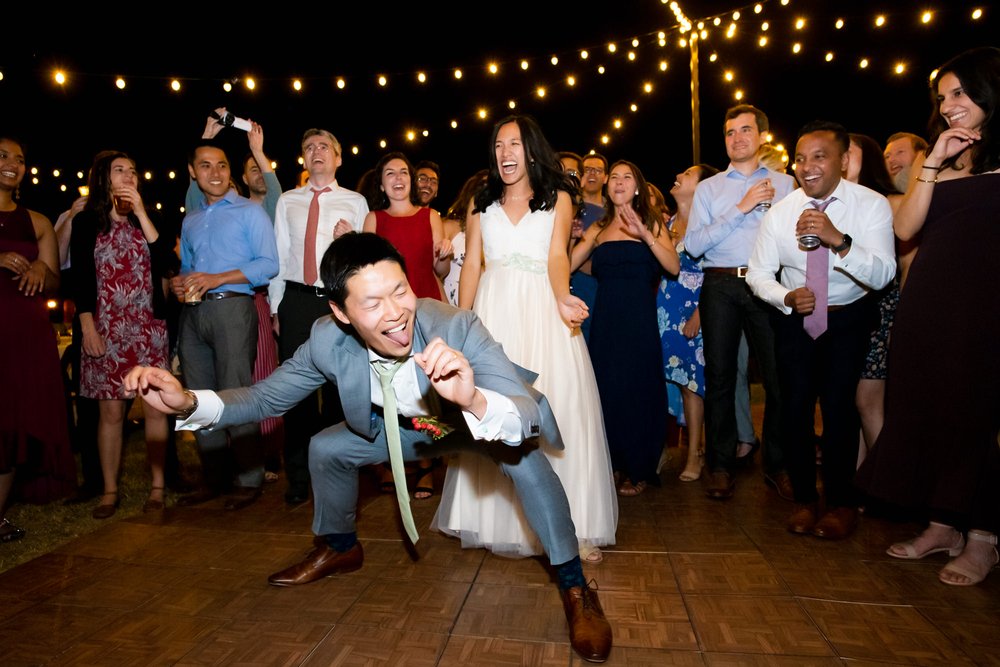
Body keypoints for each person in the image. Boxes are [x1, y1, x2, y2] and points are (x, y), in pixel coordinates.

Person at [123, 232, 613, 663]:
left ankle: (574, 585)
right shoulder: (324, 341)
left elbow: (523, 410)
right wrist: (186, 399)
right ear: (340, 312)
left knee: (527, 460)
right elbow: (264, 396)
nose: (396, 313)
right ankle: (340, 547)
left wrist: (475, 398)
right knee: (326, 447)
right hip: (410, 429)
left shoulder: (454, 325)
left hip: (469, 419)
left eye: (400, 290)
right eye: (372, 303)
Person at [434, 114, 617, 564]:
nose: (505, 153)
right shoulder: (481, 201)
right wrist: (464, 321)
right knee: (494, 411)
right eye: (498, 145)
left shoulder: (558, 201)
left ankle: (573, 526)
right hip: (494, 314)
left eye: (513, 144)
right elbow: (472, 263)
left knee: (557, 407)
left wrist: (562, 298)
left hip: (543, 311)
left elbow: (558, 257)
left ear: (532, 150)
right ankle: (491, 519)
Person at [857, 46, 1000, 586]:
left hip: (987, 306)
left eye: (960, 93)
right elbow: (905, 228)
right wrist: (935, 158)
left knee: (977, 415)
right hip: (932, 302)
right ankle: (942, 525)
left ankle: (984, 537)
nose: (950, 106)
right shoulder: (937, 159)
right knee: (930, 407)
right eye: (943, 98)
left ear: (990, 89)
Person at [747, 120, 896, 540]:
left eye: (819, 156)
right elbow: (758, 274)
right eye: (800, 158)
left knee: (839, 412)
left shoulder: (870, 205)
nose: (806, 166)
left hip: (849, 318)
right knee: (793, 410)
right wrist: (785, 297)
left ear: (844, 160)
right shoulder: (780, 212)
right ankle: (805, 501)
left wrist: (839, 241)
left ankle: (842, 503)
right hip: (796, 320)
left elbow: (884, 272)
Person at [683, 104, 797, 502]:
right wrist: (742, 207)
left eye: (746, 130)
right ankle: (720, 465)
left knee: (778, 376)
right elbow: (694, 245)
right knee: (719, 376)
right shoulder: (710, 188)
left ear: (762, 135)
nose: (737, 138)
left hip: (768, 284)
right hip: (720, 285)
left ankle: (778, 465)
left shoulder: (786, 185)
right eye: (730, 132)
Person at [171, 140, 279, 511]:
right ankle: (213, 479)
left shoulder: (250, 212)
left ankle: (249, 479)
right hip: (193, 314)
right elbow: (188, 267)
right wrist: (178, 281)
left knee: (235, 394)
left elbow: (268, 264)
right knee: (196, 398)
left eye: (221, 165)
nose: (215, 173)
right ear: (192, 172)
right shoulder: (191, 219)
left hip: (234, 308)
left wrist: (217, 279)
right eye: (205, 166)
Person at [70, 151, 176, 518]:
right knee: (111, 414)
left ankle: (158, 487)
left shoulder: (150, 219)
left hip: (148, 328)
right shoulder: (86, 223)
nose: (129, 176)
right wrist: (87, 326)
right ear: (103, 179)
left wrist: (143, 213)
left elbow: (167, 262)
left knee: (155, 409)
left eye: (133, 170)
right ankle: (110, 491)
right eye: (120, 171)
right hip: (106, 329)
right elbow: (81, 277)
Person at [270, 129, 368, 506]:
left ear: (338, 157)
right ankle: (297, 478)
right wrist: (278, 307)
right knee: (297, 392)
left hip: (336, 302)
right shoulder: (288, 202)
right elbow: (280, 255)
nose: (316, 152)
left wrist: (354, 237)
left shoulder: (355, 201)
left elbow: (363, 260)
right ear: (303, 158)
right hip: (295, 300)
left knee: (340, 391)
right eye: (308, 147)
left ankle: (340, 473)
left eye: (324, 146)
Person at [570, 160, 679, 495]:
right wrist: (567, 237)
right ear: (607, 186)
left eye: (626, 176)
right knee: (607, 389)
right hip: (606, 319)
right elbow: (570, 265)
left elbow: (672, 266)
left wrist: (645, 234)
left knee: (639, 388)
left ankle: (639, 466)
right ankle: (613, 464)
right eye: (613, 177)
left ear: (637, 186)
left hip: (639, 319)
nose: (618, 182)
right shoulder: (598, 228)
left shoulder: (651, 223)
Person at [363, 151, 452, 498]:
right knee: (389, 392)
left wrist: (443, 256)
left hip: (425, 307)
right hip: (386, 315)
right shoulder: (374, 219)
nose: (398, 178)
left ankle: (428, 464)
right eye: (390, 173)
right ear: (382, 183)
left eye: (404, 172)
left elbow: (439, 272)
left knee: (424, 391)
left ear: (412, 181)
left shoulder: (431, 216)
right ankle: (392, 462)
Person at [0, 134, 76, 542]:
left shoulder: (38, 221)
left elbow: (53, 281)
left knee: (15, 420)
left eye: (20, 158)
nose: (13, 163)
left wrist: (39, 272)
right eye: (3, 156)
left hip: (25, 333)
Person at [843, 133, 909, 465]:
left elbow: (907, 264)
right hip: (846, 310)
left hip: (881, 308)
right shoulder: (835, 206)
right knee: (850, 400)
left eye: (847, 152)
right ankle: (859, 482)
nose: (839, 157)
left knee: (868, 399)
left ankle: (887, 482)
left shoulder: (892, 201)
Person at [656, 164, 720, 482]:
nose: (679, 173)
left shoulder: (708, 225)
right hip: (665, 308)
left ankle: (695, 452)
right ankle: (665, 447)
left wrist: (700, 313)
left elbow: (715, 272)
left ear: (704, 187)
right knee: (669, 379)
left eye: (689, 173)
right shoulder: (666, 224)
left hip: (694, 309)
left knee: (692, 383)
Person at [441, 169, 488, 307]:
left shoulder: (495, 235)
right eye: (483, 187)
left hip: (484, 304)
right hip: (451, 306)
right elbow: (435, 272)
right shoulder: (449, 226)